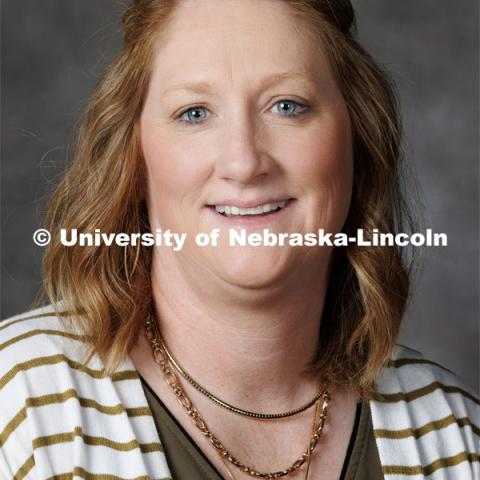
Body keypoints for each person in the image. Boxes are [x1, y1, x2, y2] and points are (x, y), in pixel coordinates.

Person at [0, 0, 478, 479]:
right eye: (194, 113)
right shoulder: (17, 403)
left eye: (287, 106)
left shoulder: (456, 434)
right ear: (133, 152)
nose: (244, 162)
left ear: (358, 134)